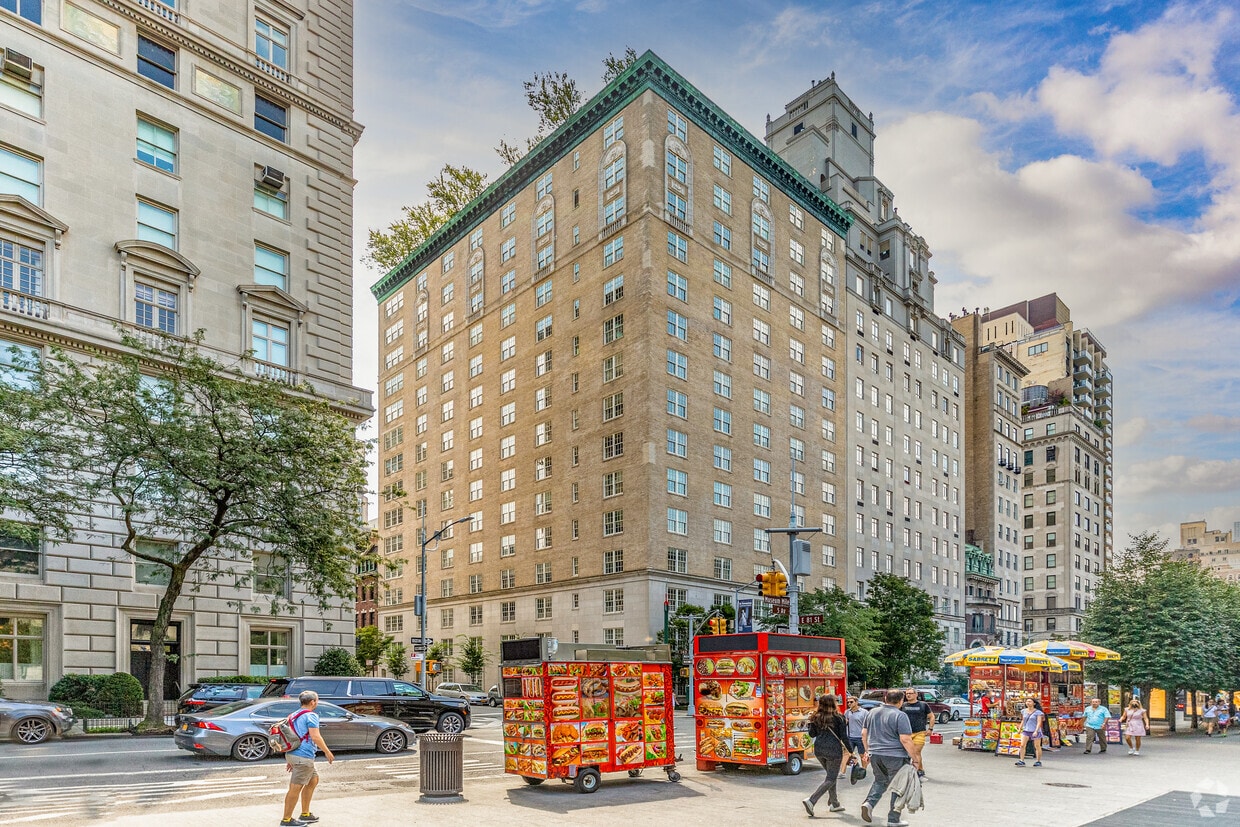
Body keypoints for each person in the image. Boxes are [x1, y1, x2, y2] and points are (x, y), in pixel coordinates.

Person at [860, 688, 916, 827]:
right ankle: (893, 819)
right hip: (895, 755)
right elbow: (905, 739)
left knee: (880, 781)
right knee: (898, 786)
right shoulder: (900, 715)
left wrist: (867, 751)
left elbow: (863, 734)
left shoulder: (872, 712)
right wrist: (915, 758)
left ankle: (869, 803)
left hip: (875, 754)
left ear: (885, 699)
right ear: (901, 701)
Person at [281, 690, 335, 827]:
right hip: (303, 756)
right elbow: (315, 736)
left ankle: (305, 814)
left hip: (294, 754)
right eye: (317, 700)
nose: (317, 702)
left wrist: (291, 759)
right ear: (312, 702)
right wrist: (327, 752)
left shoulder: (293, 715)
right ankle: (286, 820)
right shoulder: (311, 716)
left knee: (313, 780)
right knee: (295, 788)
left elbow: (289, 736)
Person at [802, 694, 852, 816]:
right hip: (834, 751)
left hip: (819, 750)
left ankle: (835, 803)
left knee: (831, 776)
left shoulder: (815, 717)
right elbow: (844, 737)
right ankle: (812, 800)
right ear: (833, 703)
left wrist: (810, 724)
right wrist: (851, 751)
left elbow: (812, 734)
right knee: (831, 778)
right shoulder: (839, 718)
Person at [900, 688, 934, 778]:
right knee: (906, 753)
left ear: (916, 694)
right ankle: (919, 769)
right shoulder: (903, 705)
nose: (908, 695)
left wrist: (930, 729)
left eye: (910, 693)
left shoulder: (923, 705)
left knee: (916, 752)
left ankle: (917, 771)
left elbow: (931, 716)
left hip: (919, 732)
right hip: (906, 733)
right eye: (907, 693)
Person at [1014, 698, 1044, 767]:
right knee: (1022, 745)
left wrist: (1036, 731)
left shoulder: (1038, 712)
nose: (1028, 702)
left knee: (1037, 746)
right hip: (1026, 730)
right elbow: (1023, 720)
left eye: (1030, 701)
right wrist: (1020, 728)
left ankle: (1038, 761)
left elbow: (1039, 722)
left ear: (1034, 703)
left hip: (1035, 730)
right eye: (1027, 701)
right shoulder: (1023, 711)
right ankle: (1021, 760)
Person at [844, 696, 869, 765]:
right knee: (849, 755)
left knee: (862, 755)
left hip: (861, 737)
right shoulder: (847, 712)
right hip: (850, 737)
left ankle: (863, 769)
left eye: (851, 702)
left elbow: (868, 725)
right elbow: (844, 723)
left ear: (856, 702)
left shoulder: (864, 712)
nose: (849, 703)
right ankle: (854, 767)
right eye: (848, 702)